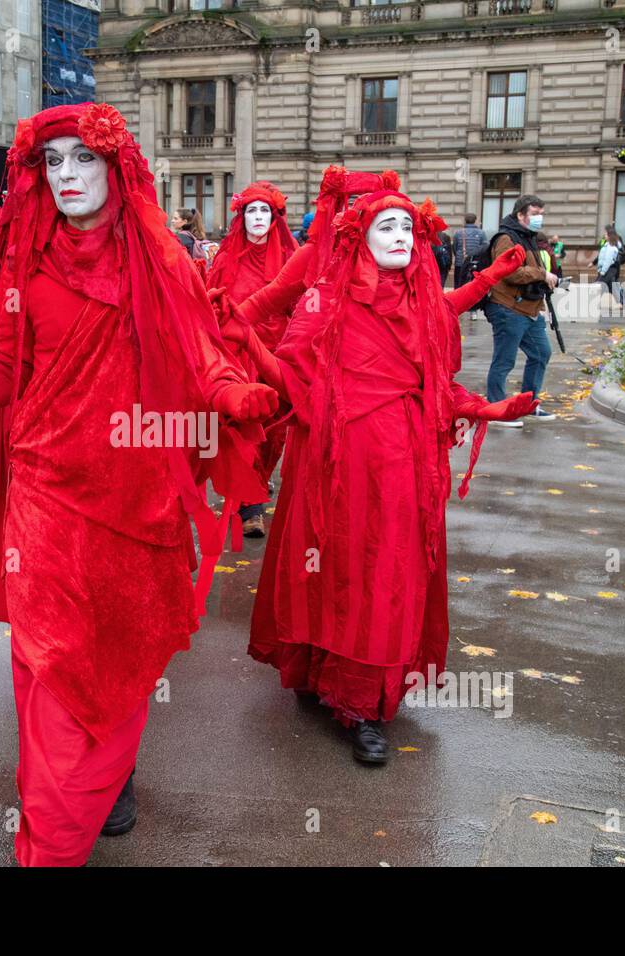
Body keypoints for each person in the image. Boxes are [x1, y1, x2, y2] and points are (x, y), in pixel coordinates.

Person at [0, 102, 275, 867]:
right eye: (51, 162)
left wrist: (230, 396)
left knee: (122, 650)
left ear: (116, 167)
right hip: (46, 497)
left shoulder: (163, 260)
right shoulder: (23, 262)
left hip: (137, 496)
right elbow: (6, 370)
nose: (65, 176)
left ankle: (112, 772)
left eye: (81, 159)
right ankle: (50, 844)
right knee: (52, 669)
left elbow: (201, 357)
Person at [218, 169, 535, 763]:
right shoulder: (326, 300)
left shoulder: (425, 305)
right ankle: (323, 674)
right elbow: (292, 377)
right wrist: (246, 340)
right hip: (335, 465)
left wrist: (488, 405)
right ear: (359, 237)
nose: (399, 237)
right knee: (334, 566)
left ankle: (364, 702)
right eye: (385, 226)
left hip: (404, 465)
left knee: (386, 573)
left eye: (408, 228)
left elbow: (440, 384)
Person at [206, 181, 299, 537]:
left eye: (264, 211)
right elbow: (211, 304)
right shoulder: (227, 258)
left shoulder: (290, 259)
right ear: (241, 217)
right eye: (251, 211)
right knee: (244, 429)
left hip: (279, 356)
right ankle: (251, 508)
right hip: (238, 358)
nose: (258, 217)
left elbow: (303, 307)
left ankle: (258, 480)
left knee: (274, 433)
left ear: (275, 218)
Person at [483, 195, 557, 427]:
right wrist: (542, 274)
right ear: (520, 215)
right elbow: (509, 272)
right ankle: (496, 408)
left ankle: (528, 403)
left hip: (530, 308)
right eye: (535, 213)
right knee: (504, 360)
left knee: (541, 353)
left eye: (541, 213)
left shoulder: (529, 238)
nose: (539, 218)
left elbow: (532, 268)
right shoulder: (506, 237)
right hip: (507, 306)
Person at [593, 225, 625, 316]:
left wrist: (604, 269)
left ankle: (592, 302)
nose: (604, 234)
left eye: (605, 232)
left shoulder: (616, 241)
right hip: (605, 267)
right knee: (611, 286)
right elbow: (601, 254)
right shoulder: (604, 241)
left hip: (611, 267)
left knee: (600, 284)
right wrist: (594, 263)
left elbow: (618, 254)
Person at [450, 213, 488, 296]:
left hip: (460, 262)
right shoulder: (482, 233)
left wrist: (459, 256)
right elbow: (485, 248)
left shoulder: (458, 233)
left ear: (465, 221)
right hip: (475, 263)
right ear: (475, 221)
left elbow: (455, 247)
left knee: (458, 283)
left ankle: (457, 300)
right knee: (473, 283)